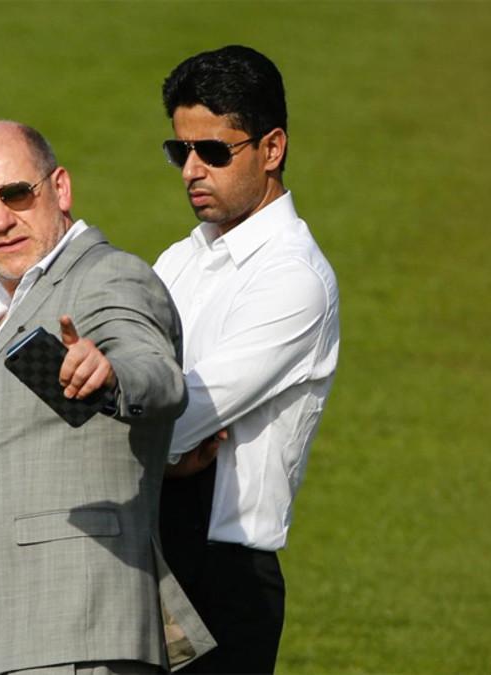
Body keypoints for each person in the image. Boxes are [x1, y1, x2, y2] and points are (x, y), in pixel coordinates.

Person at [0, 120, 216, 675]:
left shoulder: (106, 276)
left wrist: (111, 375)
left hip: (77, 631)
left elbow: (155, 372)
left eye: (17, 194)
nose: (0, 219)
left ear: (59, 188)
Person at [153, 45, 341, 673]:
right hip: (154, 543)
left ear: (272, 148)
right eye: (180, 151)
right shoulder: (182, 256)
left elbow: (178, 415)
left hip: (222, 578)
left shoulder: (294, 281)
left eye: (212, 151)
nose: (190, 170)